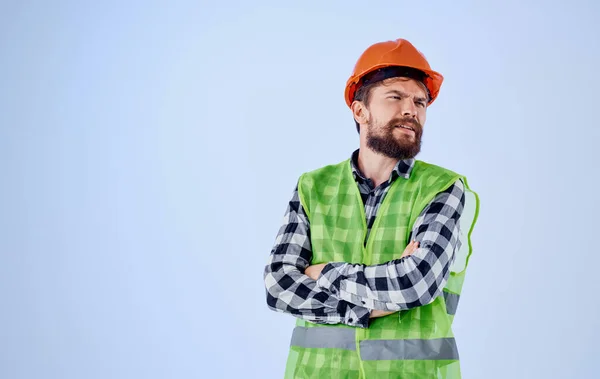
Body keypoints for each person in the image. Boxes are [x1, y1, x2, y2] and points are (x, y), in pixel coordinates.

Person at [263, 38, 480, 379]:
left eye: (420, 102)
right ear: (359, 110)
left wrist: (321, 272)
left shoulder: (443, 189)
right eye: (395, 97)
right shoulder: (313, 188)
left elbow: (415, 283)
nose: (412, 109)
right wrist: (368, 307)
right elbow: (278, 285)